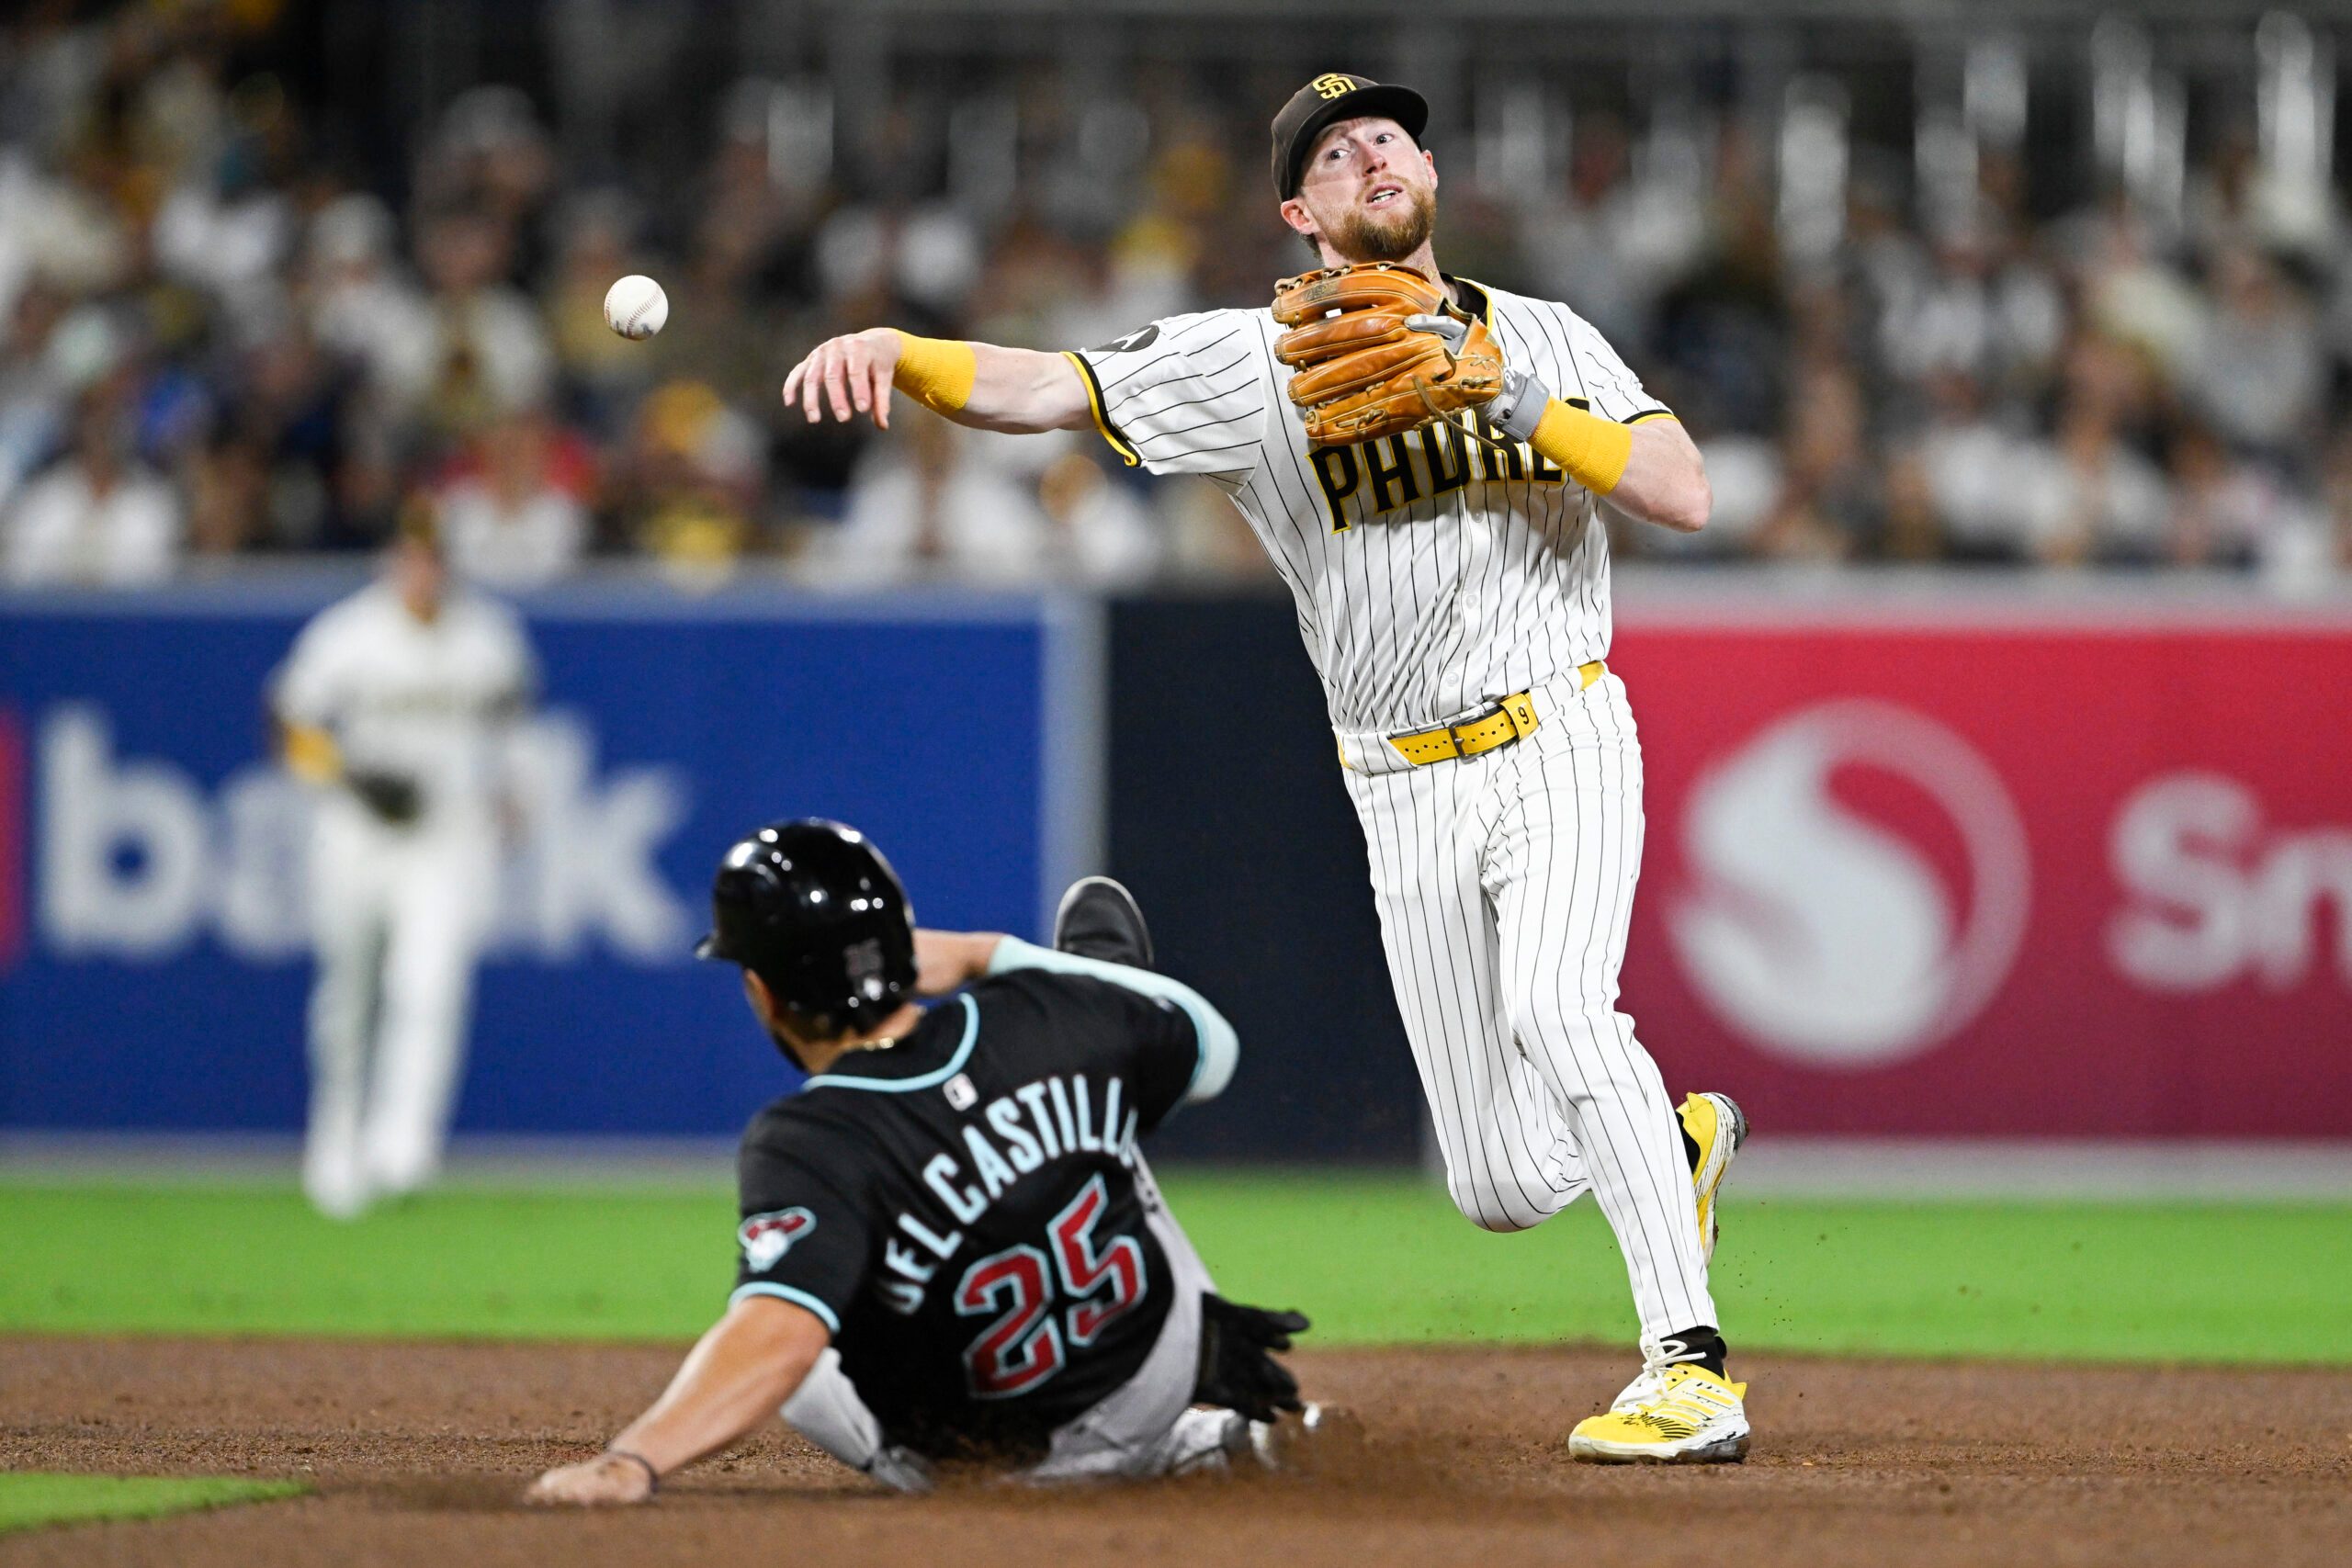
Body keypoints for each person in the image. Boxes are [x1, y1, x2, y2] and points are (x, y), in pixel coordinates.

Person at [779, 73, 1751, 1463]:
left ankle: (1690, 1361)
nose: (1370, 152)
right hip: (1398, 779)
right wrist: (902, 346)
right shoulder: (1250, 362)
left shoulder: (1541, 333)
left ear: (1427, 169)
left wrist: (1521, 398)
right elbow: (1049, 386)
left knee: (1556, 1006)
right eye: (1333, 151)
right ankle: (1672, 1142)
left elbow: (1683, 493)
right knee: (1492, 1178)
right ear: (1302, 212)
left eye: (1389, 135)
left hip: (1558, 726)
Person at [527, 821, 1318, 1504]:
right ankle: (1203, 1436)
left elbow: (780, 1335)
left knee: (800, 1314)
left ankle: (1186, 1441)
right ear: (905, 949)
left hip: (1005, 1474)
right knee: (1103, 1131)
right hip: (1155, 1370)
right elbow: (1213, 1047)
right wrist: (991, 954)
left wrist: (632, 1457)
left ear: (764, 993)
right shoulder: (1038, 1014)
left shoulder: (811, 1134)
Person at [271, 510, 537, 1219]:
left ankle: (404, 1146)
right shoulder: (347, 633)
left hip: (448, 835)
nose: (424, 572)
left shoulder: (487, 635)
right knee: (348, 993)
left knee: (431, 986)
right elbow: (289, 723)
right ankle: (335, 1144)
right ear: (391, 560)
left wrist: (513, 795)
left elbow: (514, 725)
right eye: (412, 557)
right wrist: (348, 776)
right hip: (358, 831)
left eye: (434, 558)